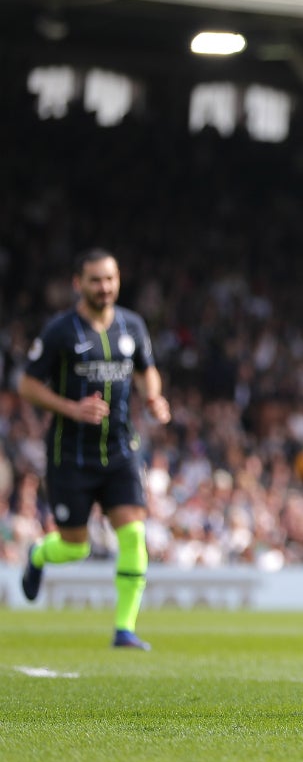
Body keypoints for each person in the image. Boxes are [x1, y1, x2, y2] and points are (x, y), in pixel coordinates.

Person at [18, 248, 171, 650]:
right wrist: (72, 408)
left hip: (120, 449)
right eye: (96, 280)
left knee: (133, 533)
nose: (104, 287)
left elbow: (147, 371)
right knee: (74, 546)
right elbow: (27, 385)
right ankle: (38, 555)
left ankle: (125, 629)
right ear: (78, 284)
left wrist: (153, 398)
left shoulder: (132, 325)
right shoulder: (60, 331)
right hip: (71, 454)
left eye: (110, 279)